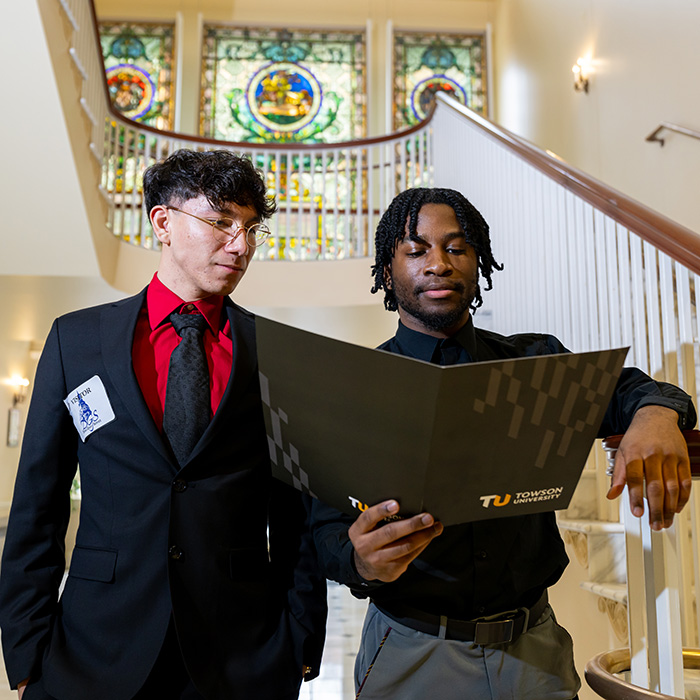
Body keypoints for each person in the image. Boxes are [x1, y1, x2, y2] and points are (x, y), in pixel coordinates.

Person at [311, 187, 695, 700]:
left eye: (456, 247)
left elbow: (630, 388)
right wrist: (362, 563)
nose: (439, 264)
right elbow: (323, 534)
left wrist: (656, 413)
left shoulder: (534, 367)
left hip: (533, 649)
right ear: (388, 271)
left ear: (478, 263)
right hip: (411, 650)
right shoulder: (353, 389)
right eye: (416, 249)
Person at [0, 150, 327, 700]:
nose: (241, 245)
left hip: (241, 657)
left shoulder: (277, 354)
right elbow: (38, 504)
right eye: (222, 222)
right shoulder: (75, 341)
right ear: (163, 222)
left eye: (251, 229)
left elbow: (296, 519)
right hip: (91, 652)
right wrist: (28, 651)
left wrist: (300, 647)